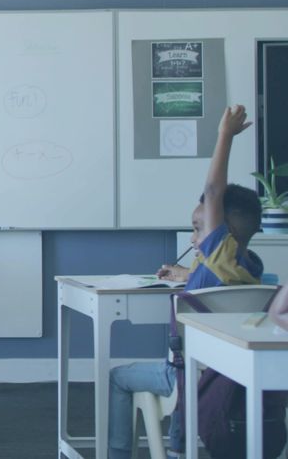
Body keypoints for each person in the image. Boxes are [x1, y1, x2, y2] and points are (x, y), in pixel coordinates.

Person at [108, 105, 264, 459]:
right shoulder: (251, 268)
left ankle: (117, 453)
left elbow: (212, 190)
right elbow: (223, 288)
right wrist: (188, 275)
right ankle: (181, 447)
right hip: (229, 377)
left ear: (220, 231)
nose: (195, 239)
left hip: (187, 376)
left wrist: (224, 135)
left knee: (120, 376)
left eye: (198, 229)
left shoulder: (218, 249)